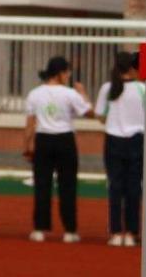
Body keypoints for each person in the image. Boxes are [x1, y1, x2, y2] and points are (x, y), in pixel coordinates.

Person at [24, 55, 93, 243]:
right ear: (60, 73)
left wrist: (27, 144)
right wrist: (83, 93)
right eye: (67, 72)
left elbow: (30, 122)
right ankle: (70, 231)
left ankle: (39, 229)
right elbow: (90, 112)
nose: (69, 76)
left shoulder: (35, 93)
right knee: (68, 186)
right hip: (65, 140)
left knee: (42, 185)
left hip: (43, 139)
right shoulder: (70, 94)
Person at [96, 51, 145, 247]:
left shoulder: (108, 88)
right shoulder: (143, 88)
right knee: (134, 187)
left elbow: (100, 116)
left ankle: (115, 232)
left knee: (115, 187)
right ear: (134, 67)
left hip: (113, 140)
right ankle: (132, 233)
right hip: (137, 140)